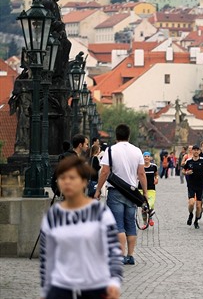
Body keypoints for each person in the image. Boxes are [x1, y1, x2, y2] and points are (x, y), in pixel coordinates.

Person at [40, 156, 123, 299]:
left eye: (72, 178)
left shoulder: (100, 212)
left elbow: (113, 250)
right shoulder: (53, 215)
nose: (66, 182)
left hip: (95, 286)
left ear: (84, 182)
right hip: (60, 288)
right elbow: (47, 257)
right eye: (62, 178)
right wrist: (45, 290)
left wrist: (114, 282)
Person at [94, 124, 148, 265]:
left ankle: (121, 255)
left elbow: (105, 172)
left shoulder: (110, 151)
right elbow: (141, 173)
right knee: (130, 224)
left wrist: (98, 189)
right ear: (129, 136)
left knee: (118, 225)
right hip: (131, 193)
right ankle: (130, 256)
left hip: (115, 191)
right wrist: (145, 194)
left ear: (116, 136)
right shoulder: (137, 151)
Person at [184, 145, 203, 229]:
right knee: (191, 203)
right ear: (192, 151)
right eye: (194, 150)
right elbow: (183, 170)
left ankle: (196, 221)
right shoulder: (188, 161)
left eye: (197, 150)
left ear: (199, 151)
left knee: (199, 206)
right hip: (191, 185)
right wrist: (187, 173)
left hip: (200, 185)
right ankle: (191, 214)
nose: (196, 152)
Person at [140, 152, 158, 228]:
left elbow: (156, 174)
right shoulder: (140, 167)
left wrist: (156, 179)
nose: (146, 158)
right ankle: (145, 223)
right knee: (143, 206)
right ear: (142, 157)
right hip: (141, 189)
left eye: (148, 156)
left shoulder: (154, 166)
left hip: (151, 188)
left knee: (150, 204)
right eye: (145, 156)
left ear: (150, 158)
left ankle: (150, 218)